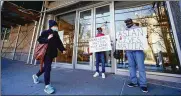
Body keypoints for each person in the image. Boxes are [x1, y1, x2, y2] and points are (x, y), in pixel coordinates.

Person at [32, 20, 66, 94]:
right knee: (48, 68)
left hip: (52, 54)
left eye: (57, 26)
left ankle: (36, 76)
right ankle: (47, 86)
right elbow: (40, 39)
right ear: (52, 26)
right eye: (55, 26)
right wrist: (47, 39)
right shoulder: (45, 32)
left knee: (46, 67)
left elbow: (59, 43)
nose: (56, 27)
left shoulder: (56, 34)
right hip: (45, 53)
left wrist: (62, 49)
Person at [124, 18, 148, 93]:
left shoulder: (138, 29)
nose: (127, 23)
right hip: (129, 51)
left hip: (138, 51)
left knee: (141, 67)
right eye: (126, 22)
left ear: (132, 22)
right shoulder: (125, 31)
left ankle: (143, 84)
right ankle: (134, 82)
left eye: (128, 22)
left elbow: (144, 36)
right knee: (131, 66)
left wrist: (145, 37)